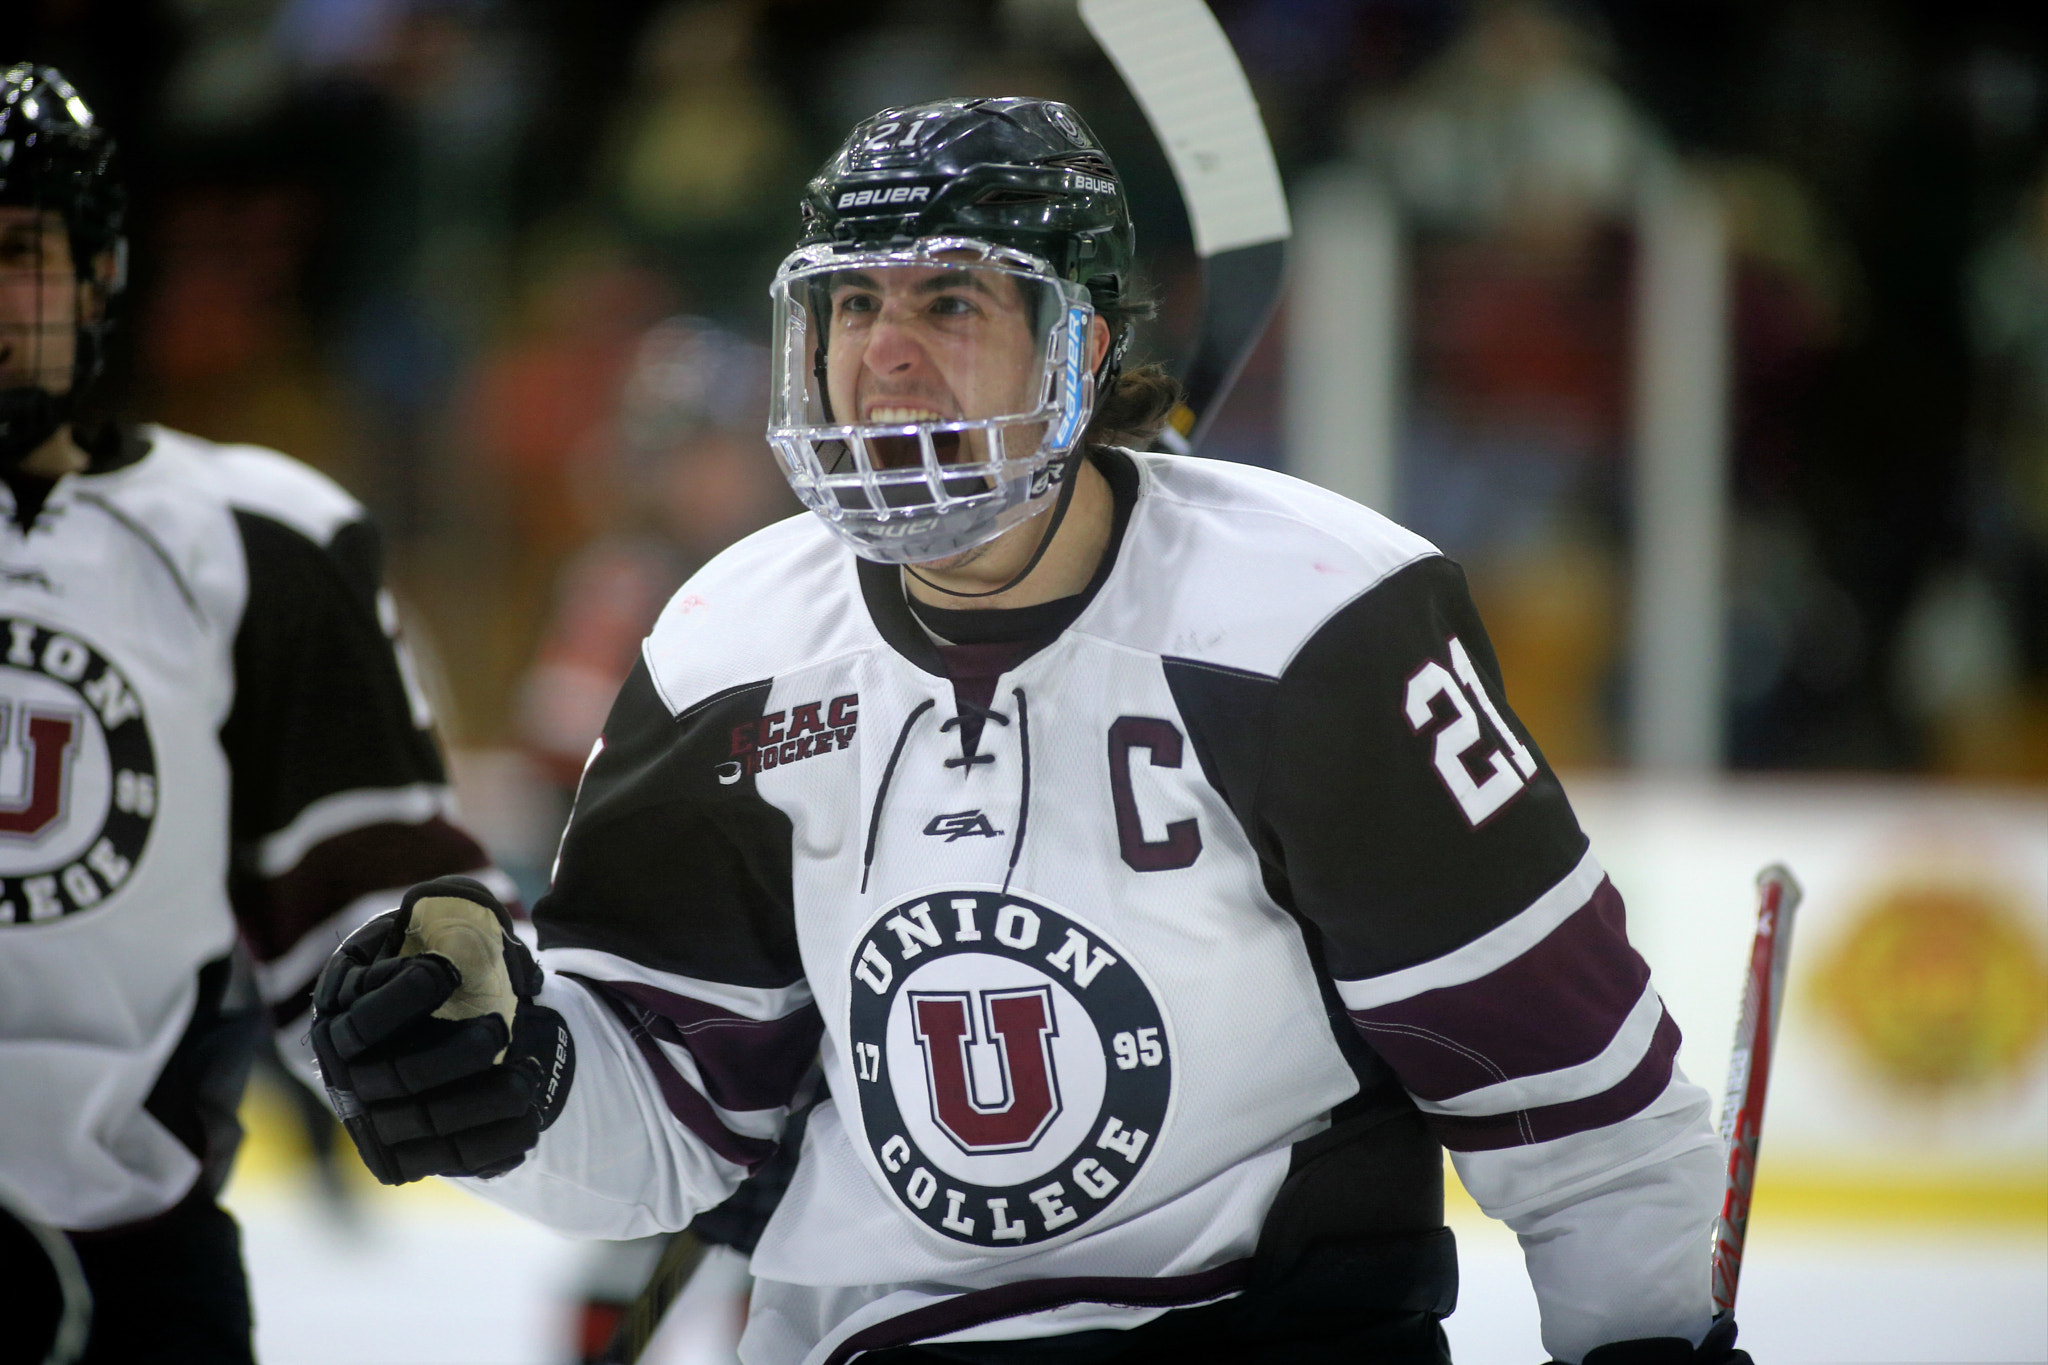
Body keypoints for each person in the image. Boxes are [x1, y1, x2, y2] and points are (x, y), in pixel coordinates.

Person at [311, 97, 1748, 1365]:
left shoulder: (1318, 623)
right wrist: (515, 1087)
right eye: (852, 306)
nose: (884, 355)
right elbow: (674, 1120)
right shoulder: (725, 646)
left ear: (1084, 344)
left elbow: (1568, 1090)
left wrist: (1646, 1340)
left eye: (950, 304)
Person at [0, 63, 507, 1362]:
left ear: (99, 276)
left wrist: (431, 960)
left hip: (132, 1273)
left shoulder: (254, 541)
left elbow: (367, 897)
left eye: (15, 252)